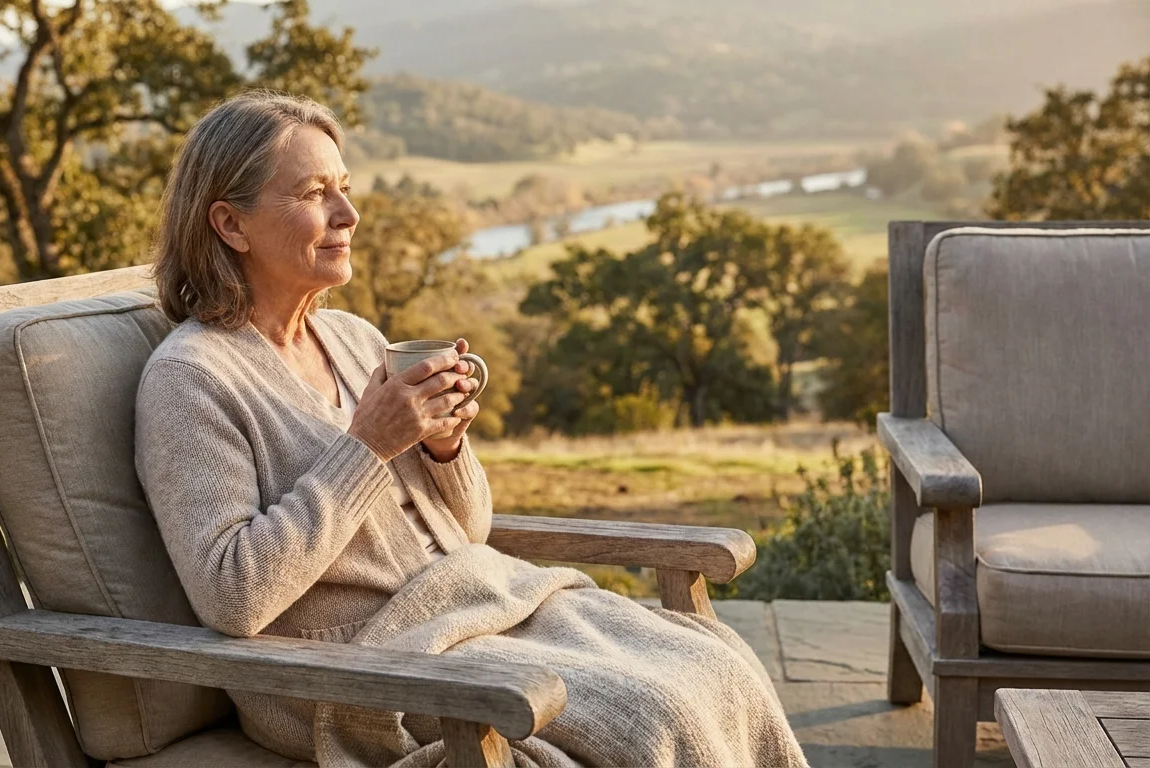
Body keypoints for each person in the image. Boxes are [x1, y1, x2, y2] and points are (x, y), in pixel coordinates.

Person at [134, 90, 806, 767]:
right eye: (314, 194)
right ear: (230, 224)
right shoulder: (191, 380)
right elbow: (233, 595)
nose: (349, 214)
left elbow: (468, 531)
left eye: (344, 188)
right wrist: (368, 447)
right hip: (365, 669)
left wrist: (443, 446)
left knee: (715, 664)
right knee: (651, 717)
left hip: (478, 606)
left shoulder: (354, 338)